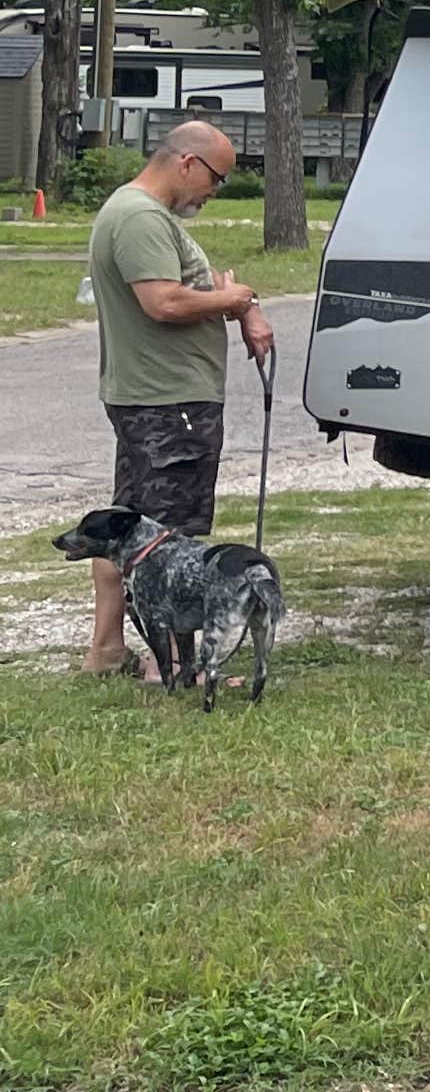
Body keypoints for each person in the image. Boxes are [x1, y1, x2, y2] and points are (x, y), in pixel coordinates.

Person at [83, 119, 275, 677]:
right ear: (188, 163)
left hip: (156, 396)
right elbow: (164, 302)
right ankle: (172, 665)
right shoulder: (140, 218)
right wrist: (233, 299)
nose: (215, 193)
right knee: (166, 544)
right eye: (216, 180)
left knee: (126, 526)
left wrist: (243, 303)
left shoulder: (148, 215)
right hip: (168, 403)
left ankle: (107, 650)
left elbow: (202, 278)